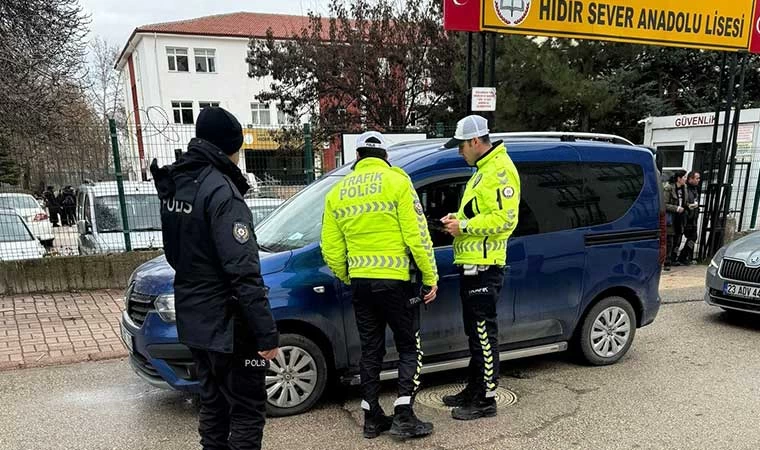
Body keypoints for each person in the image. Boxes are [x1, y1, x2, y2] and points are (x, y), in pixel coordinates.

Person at [150, 107, 279, 450]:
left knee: (213, 405)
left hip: (193, 317)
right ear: (230, 148)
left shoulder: (178, 182)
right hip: (229, 325)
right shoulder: (222, 191)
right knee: (248, 409)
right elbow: (244, 271)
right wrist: (265, 333)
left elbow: (175, 255)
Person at [321, 131, 439, 439]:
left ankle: (371, 417)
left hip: (361, 284)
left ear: (358, 157)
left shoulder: (338, 192)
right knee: (408, 347)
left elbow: (330, 248)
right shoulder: (398, 183)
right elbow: (418, 237)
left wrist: (350, 276)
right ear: (385, 158)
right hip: (396, 284)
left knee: (370, 350)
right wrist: (430, 277)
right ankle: (404, 414)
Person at [439, 115, 520, 420]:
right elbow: (480, 213)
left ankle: (486, 398)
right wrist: (456, 220)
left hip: (484, 267)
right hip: (473, 265)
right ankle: (474, 388)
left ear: (475, 142)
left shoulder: (499, 172)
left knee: (484, 334)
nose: (460, 151)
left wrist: (465, 226)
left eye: (461, 145)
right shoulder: (483, 171)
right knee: (475, 333)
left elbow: (505, 221)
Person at [664, 169, 687, 271]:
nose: (685, 179)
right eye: (684, 177)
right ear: (679, 178)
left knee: (678, 239)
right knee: (669, 241)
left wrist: (688, 206)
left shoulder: (684, 188)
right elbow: (664, 204)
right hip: (671, 218)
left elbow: (684, 202)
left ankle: (673, 258)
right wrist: (676, 208)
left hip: (680, 218)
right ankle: (666, 262)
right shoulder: (669, 188)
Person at [678, 171, 700, 265]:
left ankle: (684, 255)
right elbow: (683, 201)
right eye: (696, 178)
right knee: (678, 238)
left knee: (693, 237)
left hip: (693, 218)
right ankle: (678, 257)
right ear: (690, 179)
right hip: (686, 217)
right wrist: (688, 206)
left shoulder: (695, 190)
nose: (698, 180)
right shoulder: (685, 189)